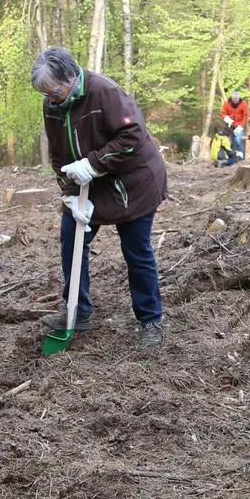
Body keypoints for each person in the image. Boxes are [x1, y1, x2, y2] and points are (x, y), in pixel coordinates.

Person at [32, 47, 170, 349]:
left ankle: (151, 320)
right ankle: (77, 313)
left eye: (55, 92)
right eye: (46, 95)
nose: (51, 100)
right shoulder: (52, 105)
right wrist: (69, 194)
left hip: (133, 184)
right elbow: (58, 155)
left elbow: (133, 135)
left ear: (71, 77)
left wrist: (93, 163)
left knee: (136, 250)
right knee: (72, 239)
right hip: (87, 184)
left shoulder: (104, 92)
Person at [220, 90, 250, 158]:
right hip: (229, 125)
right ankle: (231, 158)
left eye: (237, 98)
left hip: (239, 125)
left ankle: (241, 158)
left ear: (239, 98)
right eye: (234, 98)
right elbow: (223, 113)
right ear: (232, 97)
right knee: (230, 141)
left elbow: (245, 116)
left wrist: (241, 126)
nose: (235, 100)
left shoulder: (243, 104)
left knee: (238, 140)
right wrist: (226, 118)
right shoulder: (227, 103)